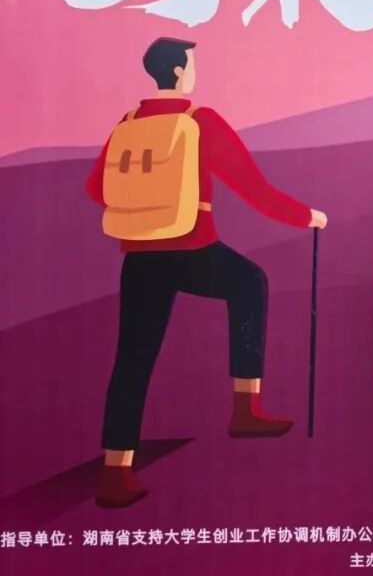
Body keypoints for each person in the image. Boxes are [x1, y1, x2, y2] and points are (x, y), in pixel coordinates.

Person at [86, 37, 328, 509]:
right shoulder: (199, 121)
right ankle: (245, 407)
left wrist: (145, 206)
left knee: (132, 358)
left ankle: (115, 469)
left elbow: (98, 188)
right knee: (250, 283)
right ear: (178, 72)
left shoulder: (127, 124)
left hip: (139, 255)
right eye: (192, 65)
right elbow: (253, 186)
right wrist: (306, 216)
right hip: (192, 248)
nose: (194, 72)